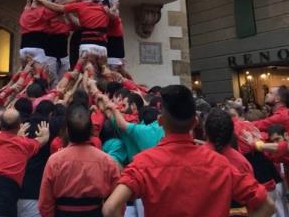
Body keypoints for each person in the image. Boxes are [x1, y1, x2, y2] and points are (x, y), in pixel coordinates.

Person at [103, 85, 275, 217]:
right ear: (194, 123)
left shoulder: (143, 163)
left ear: (160, 121)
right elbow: (268, 206)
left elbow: (111, 208)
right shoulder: (221, 163)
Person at [38, 104, 119, 217]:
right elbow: (117, 203)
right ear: (91, 130)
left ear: (67, 131)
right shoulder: (107, 161)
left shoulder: (54, 161)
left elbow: (45, 203)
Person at [0, 108, 49, 217]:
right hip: (4, 202)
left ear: (1, 124)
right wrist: (45, 133)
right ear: (19, 125)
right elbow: (42, 140)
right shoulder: (24, 145)